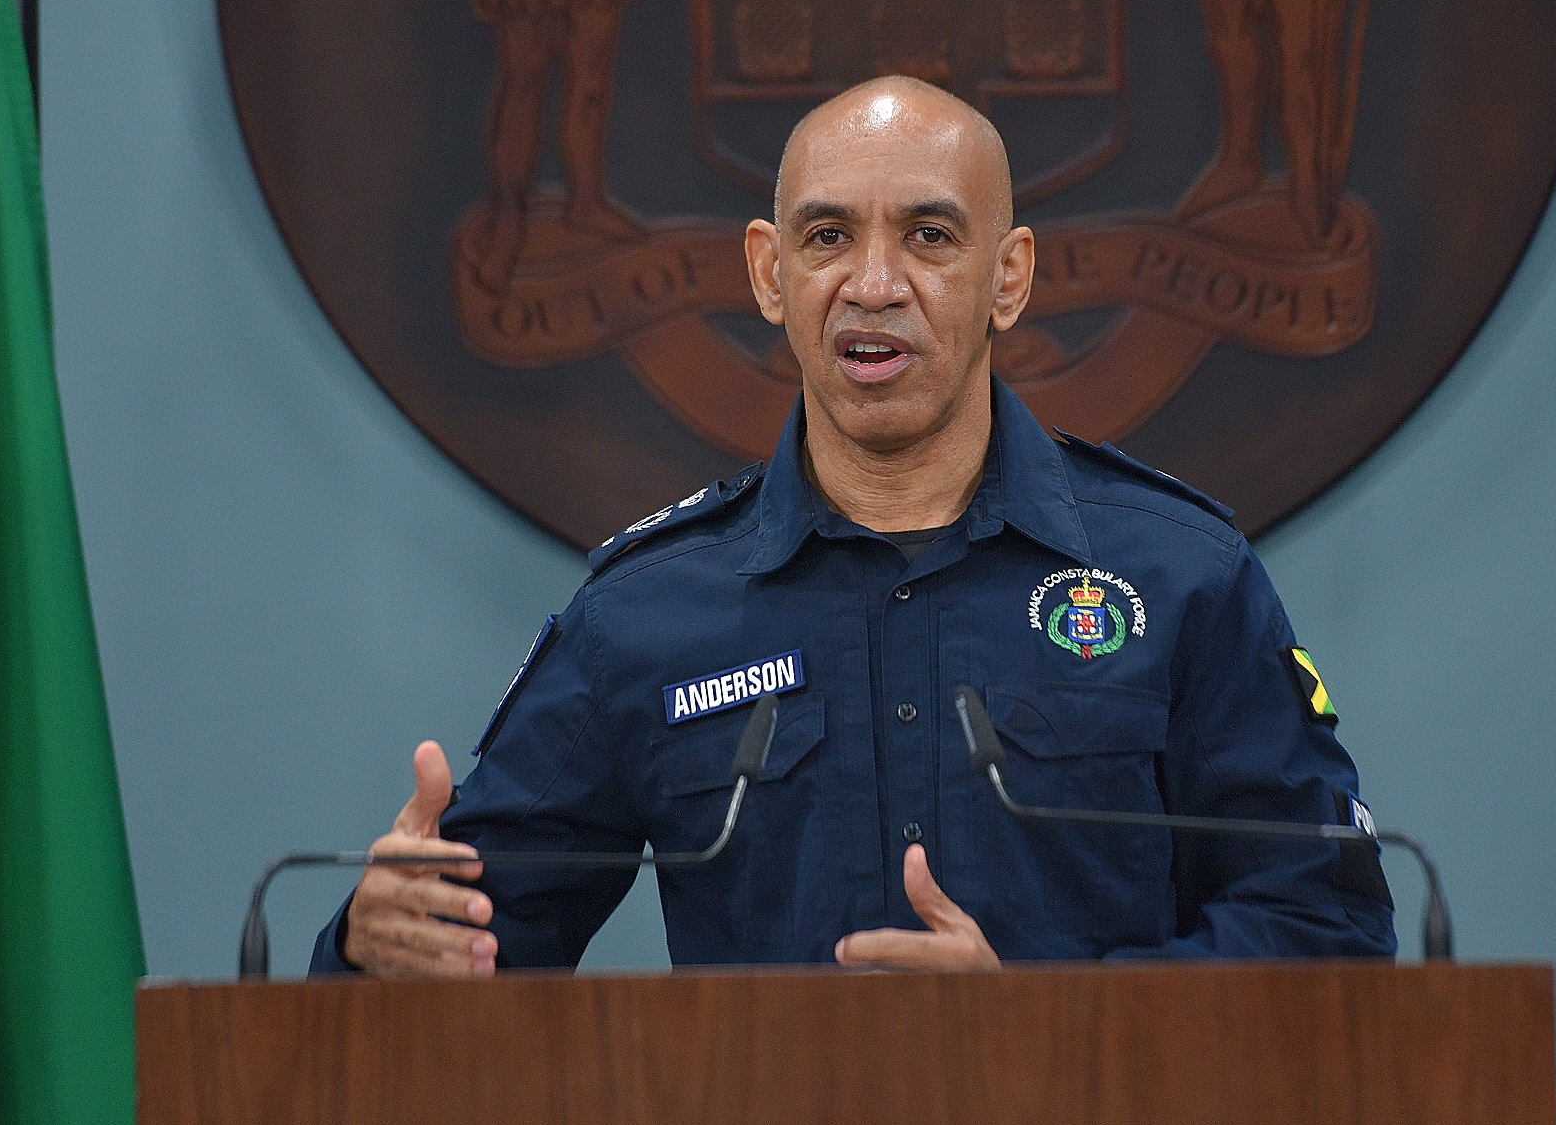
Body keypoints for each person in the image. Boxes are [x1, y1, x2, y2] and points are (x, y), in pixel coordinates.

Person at [312, 76, 1396, 976]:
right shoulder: (645, 615)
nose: (874, 285)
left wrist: (1044, 1025)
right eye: (828, 236)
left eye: (929, 235)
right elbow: (462, 949)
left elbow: (1328, 931)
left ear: (1008, 278)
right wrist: (380, 942)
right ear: (768, 273)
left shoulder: (1180, 576)